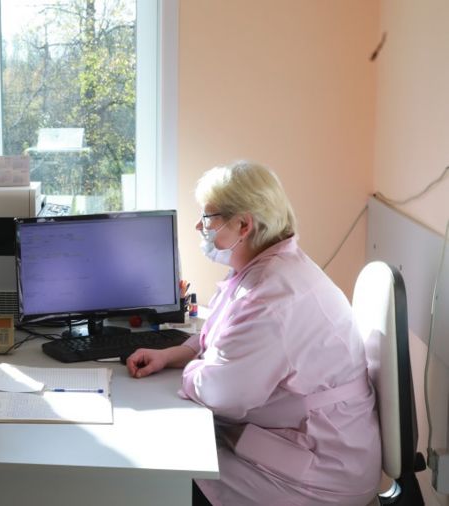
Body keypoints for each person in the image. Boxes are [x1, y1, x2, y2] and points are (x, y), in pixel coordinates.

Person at [126, 161, 381, 505]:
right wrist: (174, 355)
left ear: (243, 225)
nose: (199, 226)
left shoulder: (275, 297)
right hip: (296, 439)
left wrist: (193, 371)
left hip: (321, 472)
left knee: (161, 479)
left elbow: (222, 392)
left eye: (208, 217)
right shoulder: (265, 267)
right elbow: (222, 330)